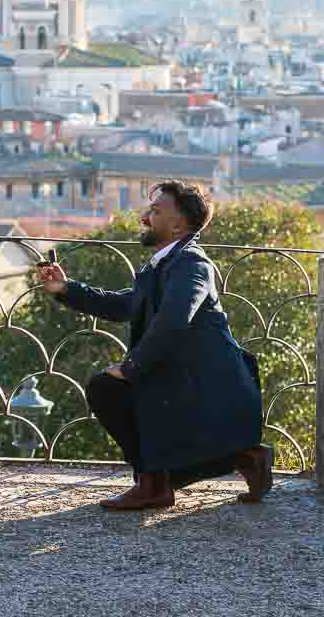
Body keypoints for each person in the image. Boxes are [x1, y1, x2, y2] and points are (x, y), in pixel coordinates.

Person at [38, 181, 273, 510]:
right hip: (180, 377)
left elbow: (175, 320)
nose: (144, 217)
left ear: (178, 225)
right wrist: (66, 288)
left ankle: (156, 484)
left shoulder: (192, 265)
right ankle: (243, 458)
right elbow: (124, 304)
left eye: (155, 211)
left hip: (206, 385)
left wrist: (132, 369)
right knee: (111, 387)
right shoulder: (164, 264)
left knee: (108, 388)